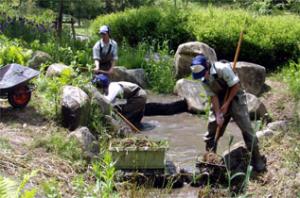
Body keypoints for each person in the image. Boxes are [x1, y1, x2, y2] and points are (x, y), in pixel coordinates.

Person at [190, 54, 266, 172]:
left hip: (235, 97)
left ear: (207, 66)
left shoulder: (223, 68)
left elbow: (235, 86)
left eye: (203, 73)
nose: (202, 76)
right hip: (219, 99)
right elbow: (213, 96)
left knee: (246, 128)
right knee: (212, 128)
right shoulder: (203, 79)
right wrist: (218, 114)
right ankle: (211, 160)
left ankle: (257, 159)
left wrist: (226, 105)